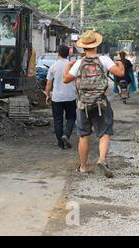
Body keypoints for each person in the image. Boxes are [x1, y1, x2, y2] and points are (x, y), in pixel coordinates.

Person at [63, 31, 124, 178]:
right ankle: (102, 159)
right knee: (105, 133)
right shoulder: (104, 59)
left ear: (83, 47)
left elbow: (66, 79)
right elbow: (120, 73)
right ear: (97, 45)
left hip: (83, 104)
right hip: (100, 103)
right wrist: (120, 63)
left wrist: (69, 65)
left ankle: (83, 167)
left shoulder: (78, 63)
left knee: (83, 135)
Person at [45, 45, 77, 150]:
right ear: (68, 54)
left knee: (58, 120)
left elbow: (49, 84)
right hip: (70, 97)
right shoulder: (71, 65)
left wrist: (47, 95)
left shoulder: (53, 66)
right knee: (71, 117)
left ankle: (60, 143)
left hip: (57, 98)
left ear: (58, 53)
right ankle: (66, 134)